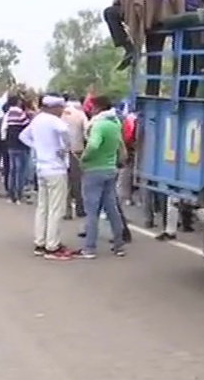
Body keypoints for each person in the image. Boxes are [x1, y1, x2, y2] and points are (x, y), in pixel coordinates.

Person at [72, 95, 127, 259]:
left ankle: (90, 247)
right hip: (110, 168)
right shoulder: (115, 122)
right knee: (112, 209)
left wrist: (84, 158)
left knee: (92, 211)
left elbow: (94, 145)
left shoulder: (98, 125)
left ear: (97, 108)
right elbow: (119, 144)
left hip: (94, 169)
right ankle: (119, 245)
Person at [19, 95, 73, 260]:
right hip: (56, 168)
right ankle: (52, 246)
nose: (62, 111)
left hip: (41, 168)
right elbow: (64, 130)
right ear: (55, 107)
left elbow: (23, 136)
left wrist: (38, 147)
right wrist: (65, 146)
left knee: (43, 207)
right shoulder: (54, 120)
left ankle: (40, 242)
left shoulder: (37, 119)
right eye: (61, 108)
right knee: (56, 209)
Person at [0, 96, 32, 204]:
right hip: (21, 145)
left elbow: (4, 129)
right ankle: (19, 194)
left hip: (10, 145)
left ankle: (11, 194)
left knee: (12, 170)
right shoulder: (20, 113)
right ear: (18, 102)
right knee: (20, 171)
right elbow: (28, 126)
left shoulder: (7, 114)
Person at [61, 97, 88, 218]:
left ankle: (66, 211)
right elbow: (87, 132)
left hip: (62, 151)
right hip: (77, 151)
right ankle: (80, 208)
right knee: (78, 182)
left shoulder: (60, 114)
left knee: (64, 182)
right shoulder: (81, 114)